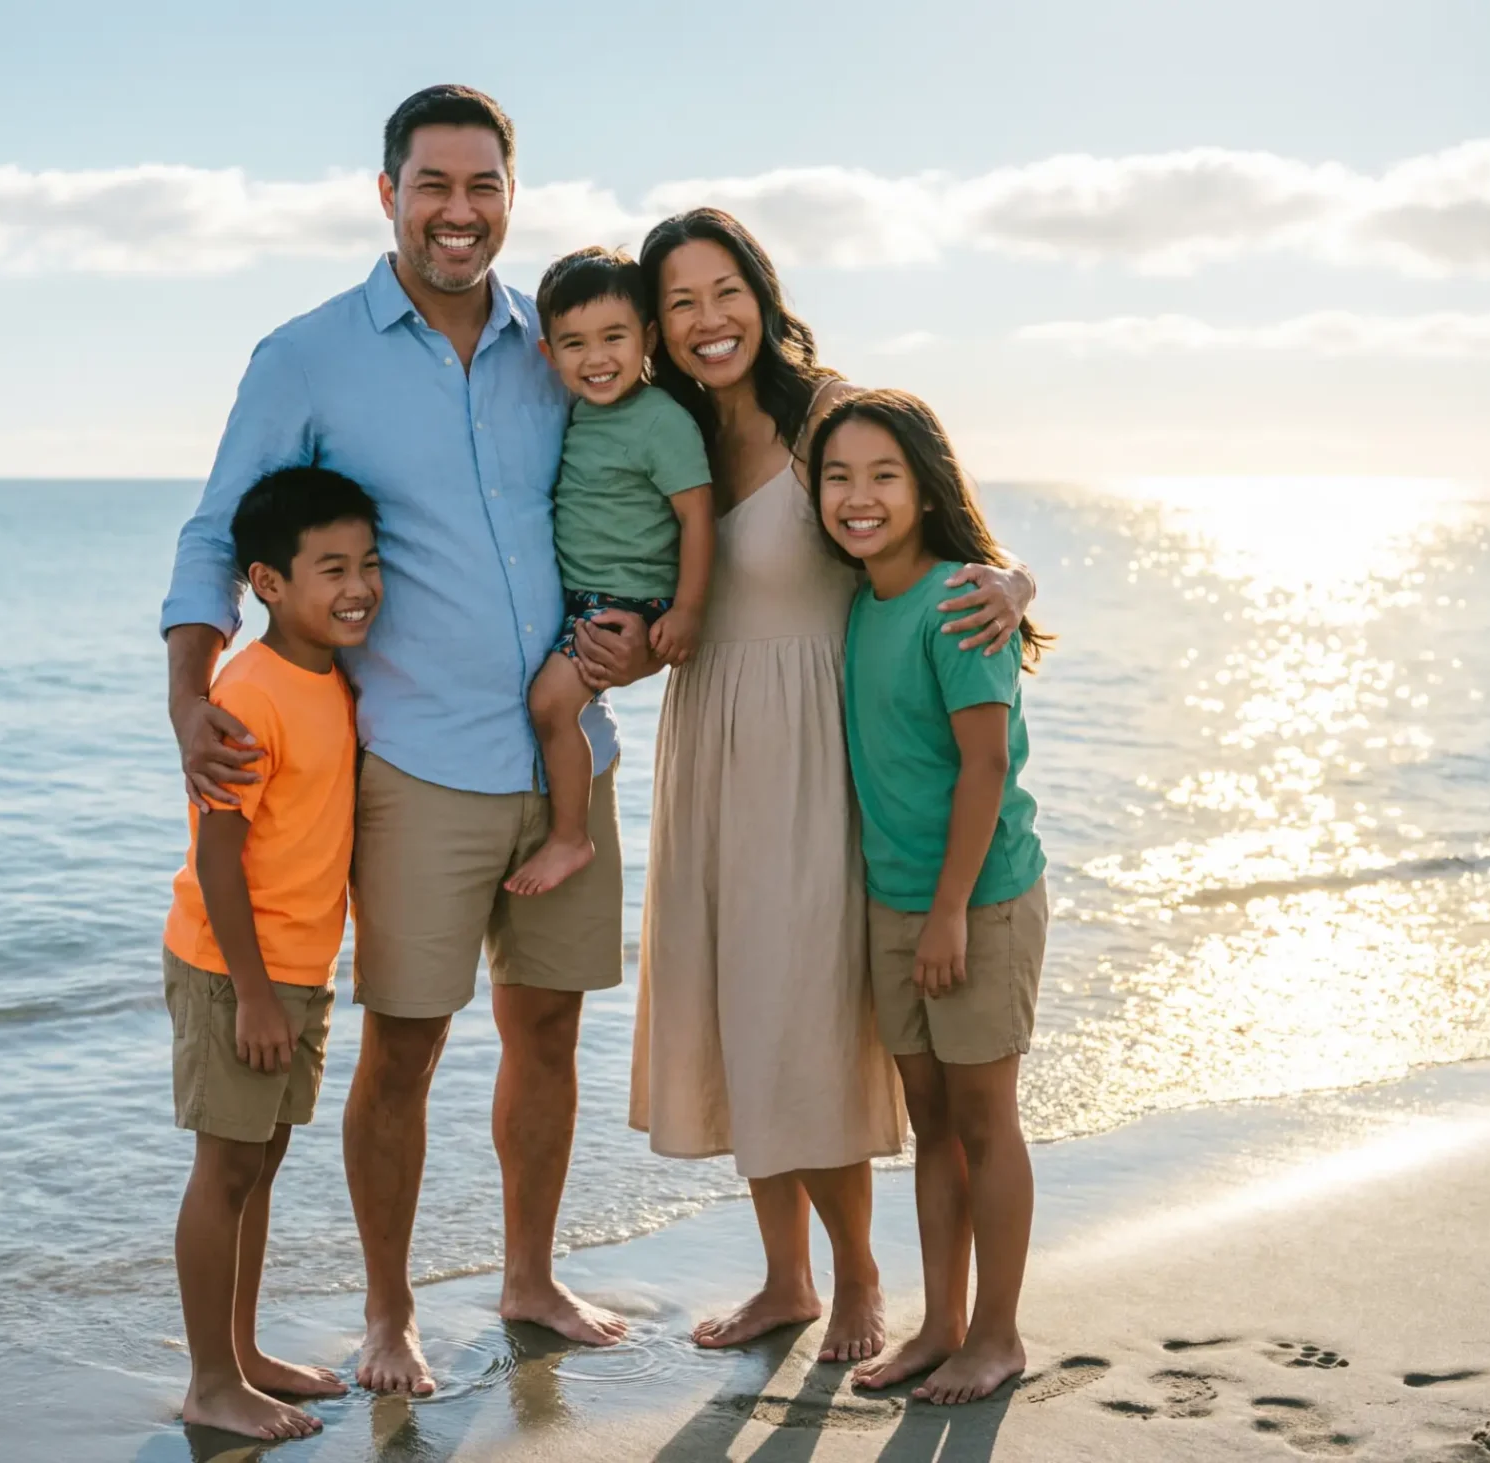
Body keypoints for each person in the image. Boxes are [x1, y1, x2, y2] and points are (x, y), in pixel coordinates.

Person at [160, 84, 653, 1396]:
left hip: (567, 761)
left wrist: (644, 635)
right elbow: (217, 533)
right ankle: (388, 1313)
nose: (459, 210)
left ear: (511, 195)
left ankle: (531, 1277)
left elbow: (650, 492)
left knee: (547, 1029)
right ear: (387, 196)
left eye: (483, 185)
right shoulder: (307, 356)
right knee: (405, 1045)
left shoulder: (558, 347)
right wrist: (187, 683)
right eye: (433, 184)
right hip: (415, 769)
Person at [626, 208, 1038, 1365]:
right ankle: (783, 1277)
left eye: (726, 291)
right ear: (657, 325)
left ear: (761, 291)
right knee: (736, 1001)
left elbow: (932, 521)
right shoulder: (665, 435)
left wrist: (1015, 579)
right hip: (707, 734)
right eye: (680, 303)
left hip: (819, 737)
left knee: (805, 1010)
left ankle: (859, 1277)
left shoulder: (825, 416)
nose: (709, 322)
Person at [812, 390, 1052, 1404]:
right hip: (893, 898)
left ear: (924, 486)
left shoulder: (962, 599)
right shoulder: (861, 599)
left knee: (985, 1117)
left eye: (882, 475)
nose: (858, 497)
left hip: (978, 897)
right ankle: (940, 1324)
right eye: (836, 477)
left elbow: (985, 765)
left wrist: (950, 908)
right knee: (930, 1117)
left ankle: (996, 1333)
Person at [163, 466, 383, 1441]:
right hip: (233, 969)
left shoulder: (331, 676)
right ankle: (210, 1378)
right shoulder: (247, 690)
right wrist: (251, 994)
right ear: (265, 580)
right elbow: (216, 856)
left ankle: (243, 1352)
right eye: (330, 567)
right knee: (225, 1169)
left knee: (260, 1161)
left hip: (298, 968)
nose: (358, 586)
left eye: (369, 563)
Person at [505, 246, 714, 898]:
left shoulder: (660, 420)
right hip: (585, 596)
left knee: (549, 704)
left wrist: (685, 612)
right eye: (574, 344)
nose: (595, 358)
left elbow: (698, 518)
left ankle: (572, 835)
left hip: (622, 599)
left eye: (613, 338)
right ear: (549, 355)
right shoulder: (582, 414)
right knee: (552, 704)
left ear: (647, 337)